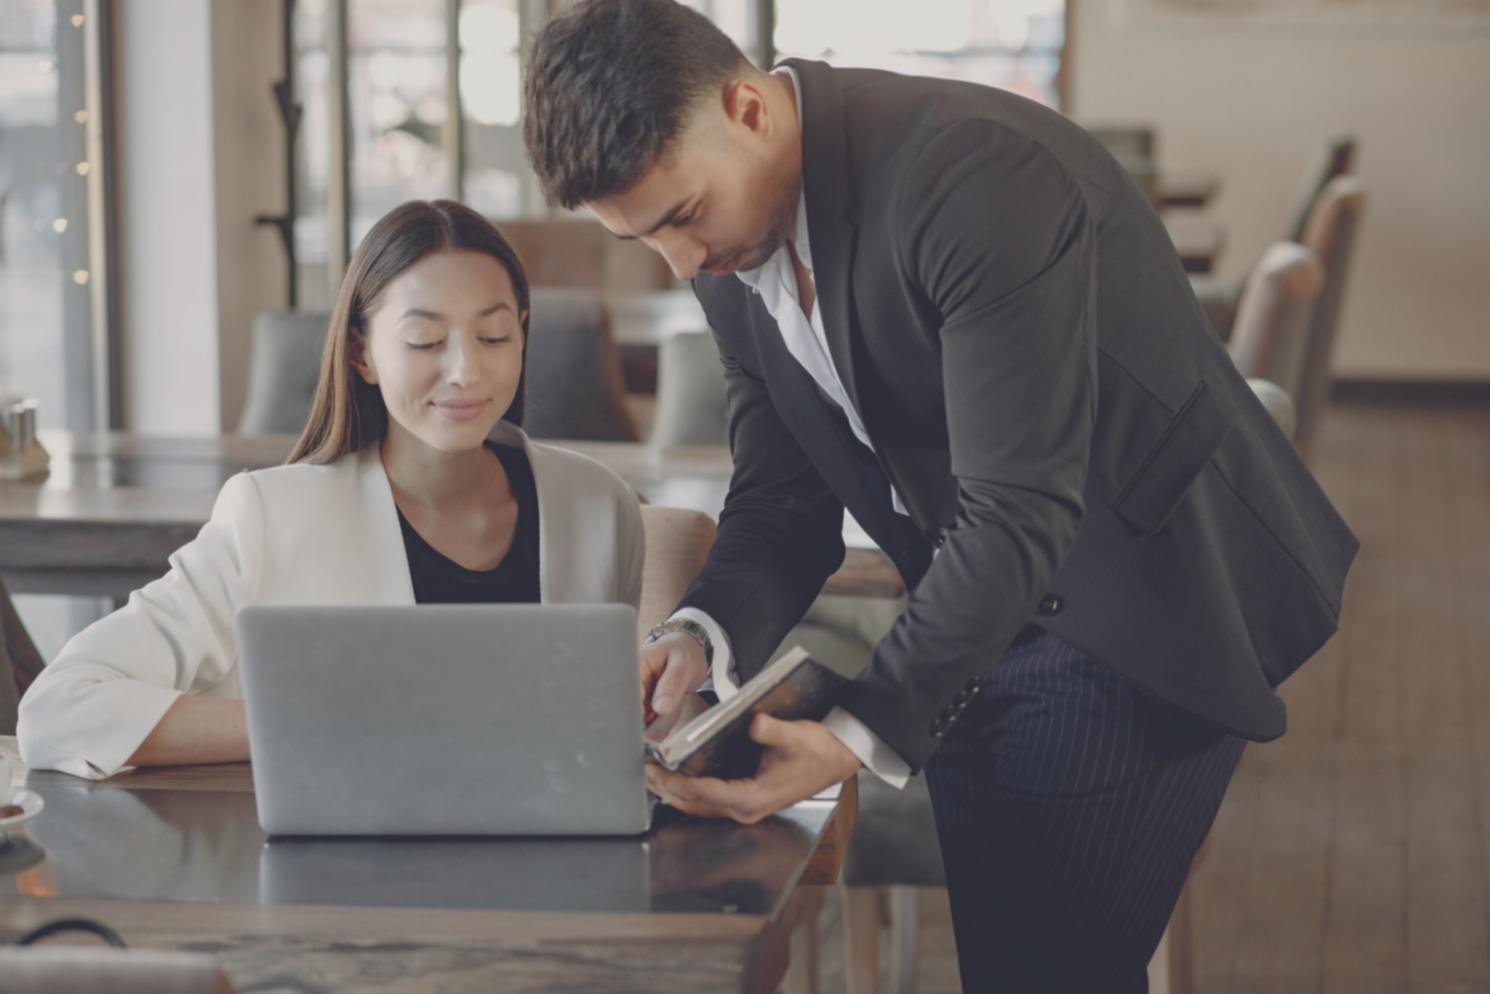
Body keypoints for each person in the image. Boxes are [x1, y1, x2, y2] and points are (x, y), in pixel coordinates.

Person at [522, 2, 1358, 988]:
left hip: (1141, 606)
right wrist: (693, 635)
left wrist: (851, 731)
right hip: (980, 614)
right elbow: (782, 502)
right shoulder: (727, 251)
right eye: (642, 240)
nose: (682, 263)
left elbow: (1019, 511)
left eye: (681, 216)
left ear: (745, 107)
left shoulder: (973, 177)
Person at [19, 200, 644, 782]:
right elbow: (60, 709)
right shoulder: (271, 515)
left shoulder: (597, 506)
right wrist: (321, 725)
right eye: (425, 340)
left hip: (559, 870)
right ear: (361, 353)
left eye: (495, 336)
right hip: (346, 886)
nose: (466, 371)